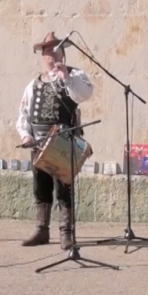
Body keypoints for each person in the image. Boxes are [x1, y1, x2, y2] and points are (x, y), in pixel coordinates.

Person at [16, 32, 94, 250]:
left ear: (62, 52)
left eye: (54, 50)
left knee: (64, 188)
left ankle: (66, 234)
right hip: (39, 143)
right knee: (40, 187)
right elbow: (24, 113)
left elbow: (84, 95)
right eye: (46, 52)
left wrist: (66, 77)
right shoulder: (33, 84)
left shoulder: (75, 76)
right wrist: (26, 134)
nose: (50, 55)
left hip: (63, 143)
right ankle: (41, 230)